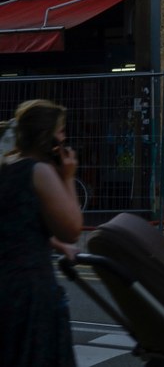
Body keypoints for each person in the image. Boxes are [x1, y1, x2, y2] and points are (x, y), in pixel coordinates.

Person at [0, 98, 83, 366]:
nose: (64, 137)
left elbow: (18, 225)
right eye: (61, 131)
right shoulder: (40, 172)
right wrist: (68, 177)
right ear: (48, 136)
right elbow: (72, 229)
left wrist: (57, 245)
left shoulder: (7, 168)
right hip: (31, 290)